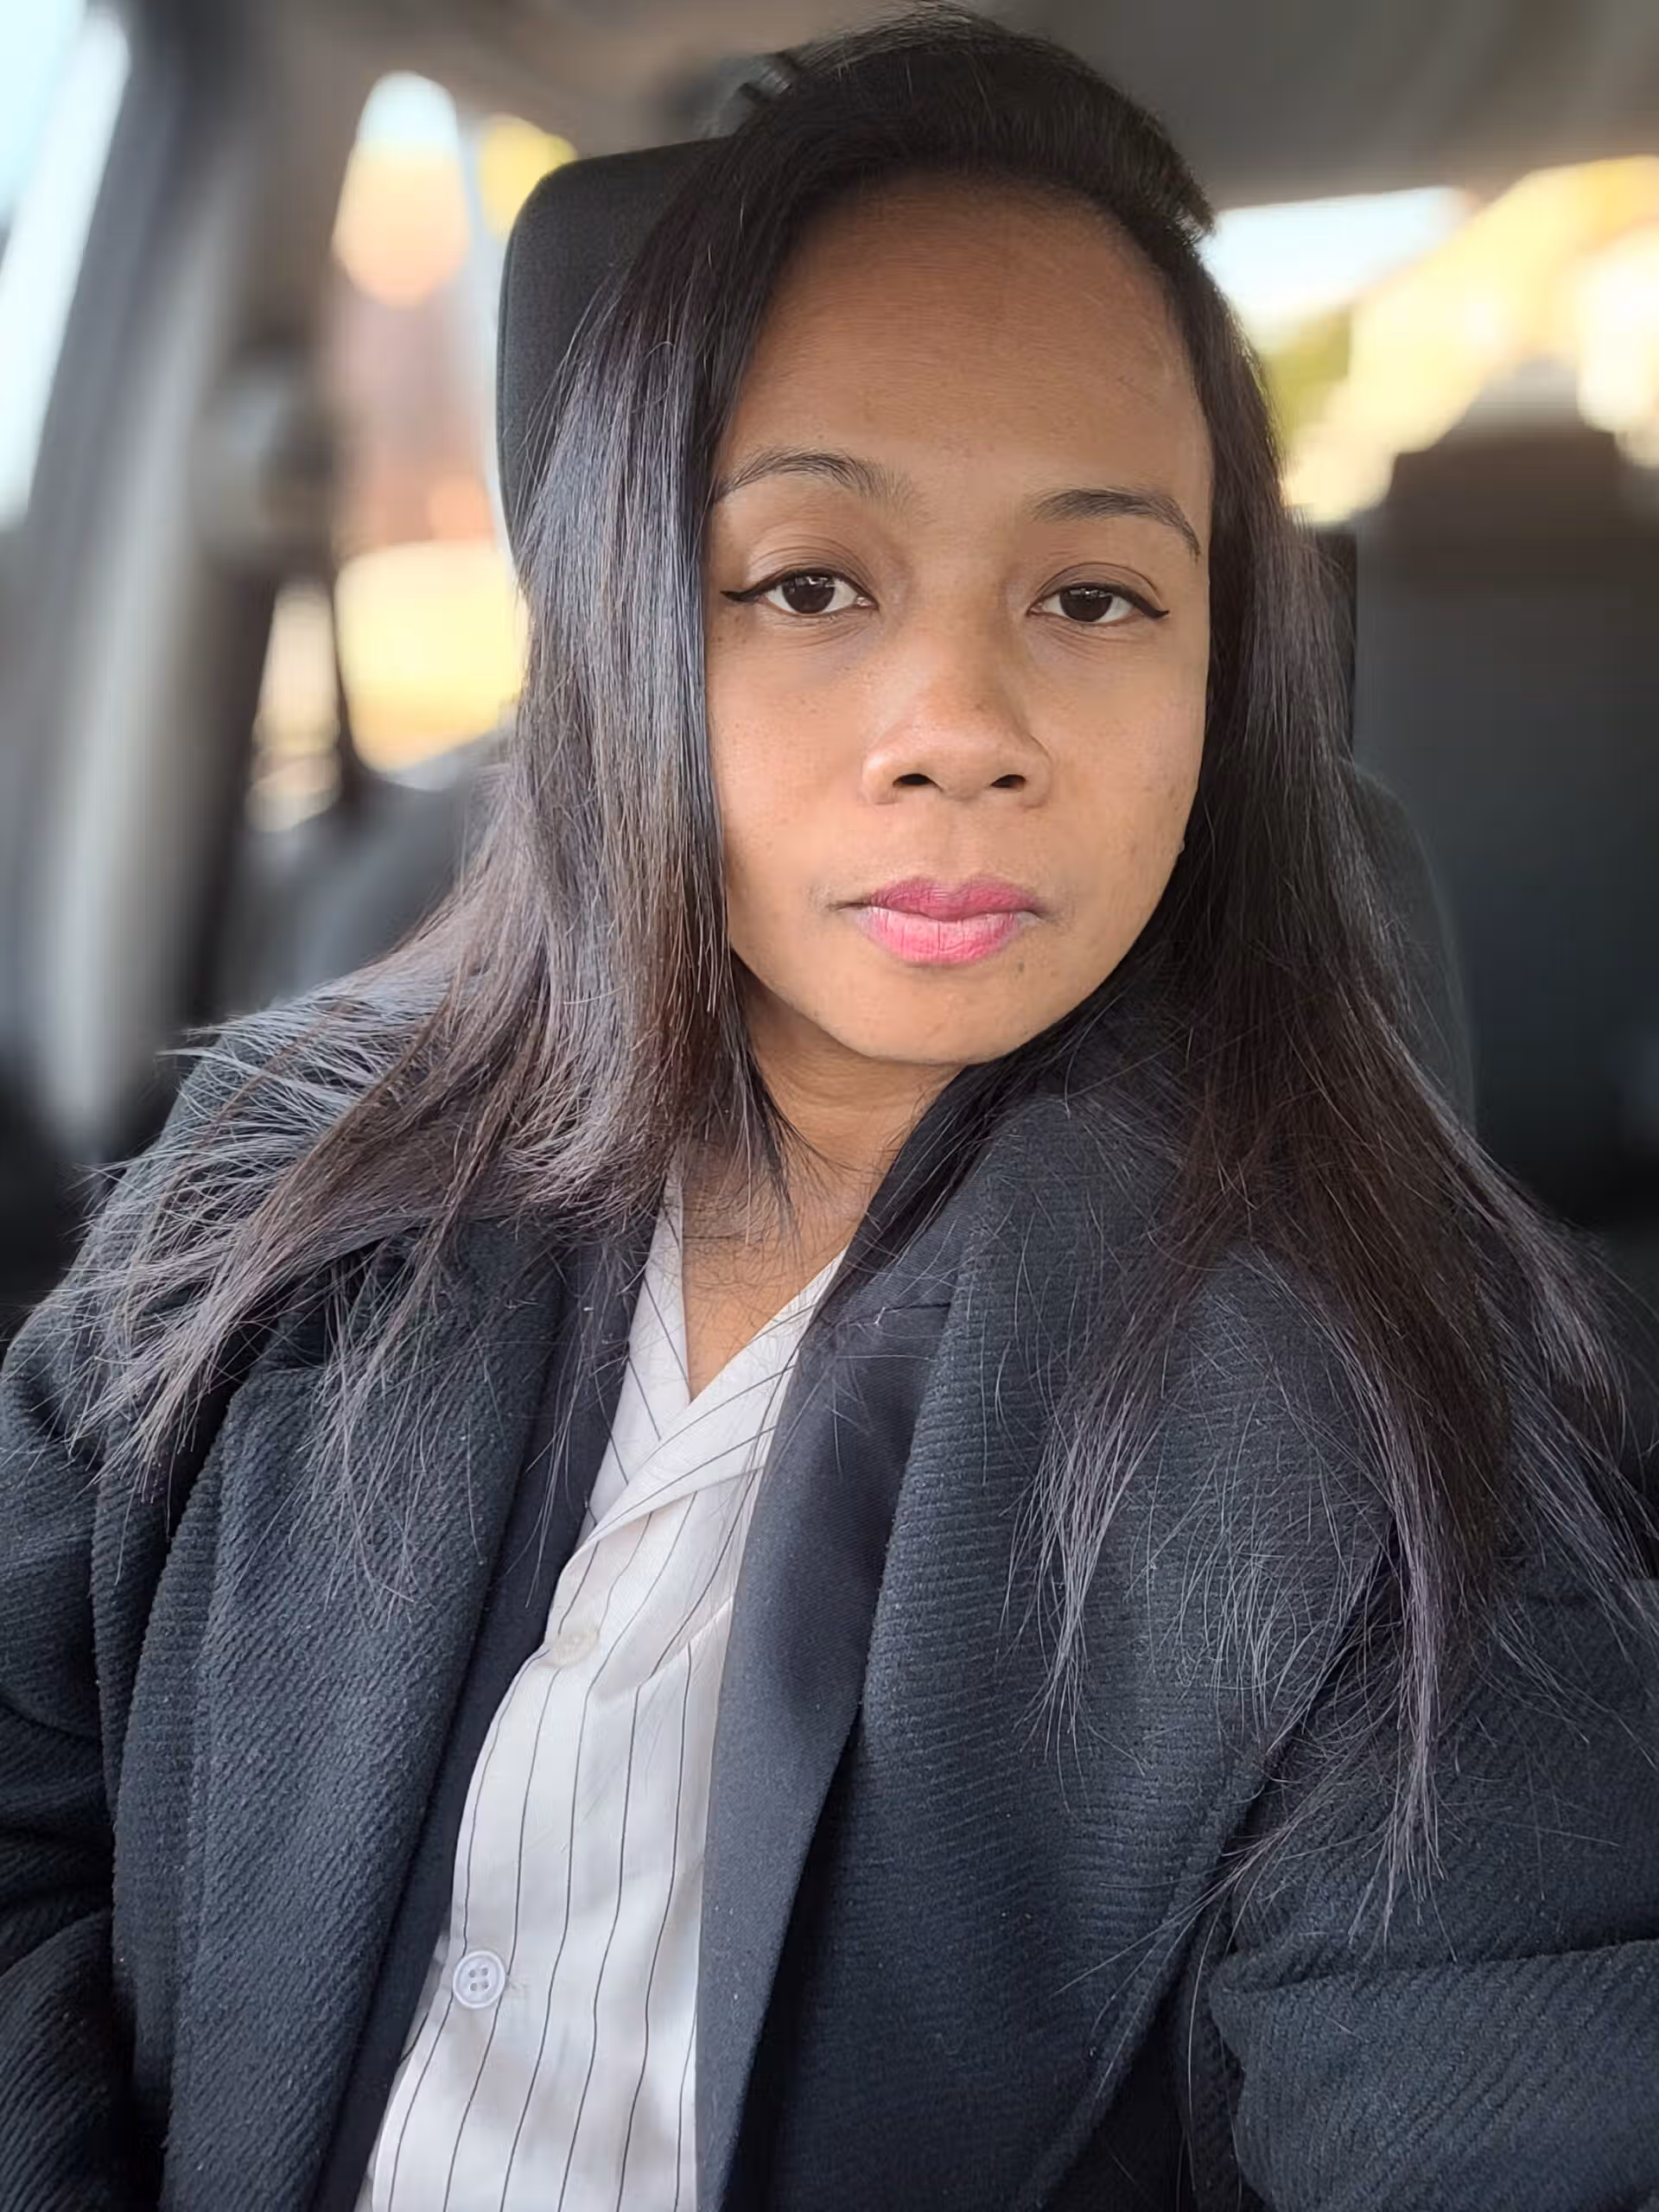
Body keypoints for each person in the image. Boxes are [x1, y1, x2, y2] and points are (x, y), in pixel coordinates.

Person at [3, 10, 1656, 2209]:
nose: (957, 722)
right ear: (624, 621)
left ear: (1226, 676)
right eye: (808, 583)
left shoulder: (1387, 1394)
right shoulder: (263, 1194)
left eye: (1094, 594)